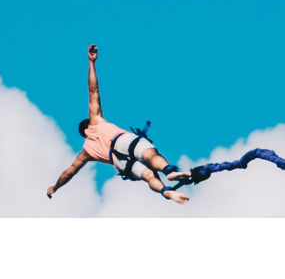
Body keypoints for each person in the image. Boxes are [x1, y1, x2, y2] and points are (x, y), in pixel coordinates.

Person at [46, 44, 191, 205]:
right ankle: (168, 171)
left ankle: (165, 191)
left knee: (149, 176)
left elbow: (69, 173)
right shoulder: (96, 122)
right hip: (123, 141)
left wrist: (55, 187)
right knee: (150, 155)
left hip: (119, 162)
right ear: (87, 125)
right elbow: (93, 90)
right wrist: (91, 63)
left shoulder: (86, 152)